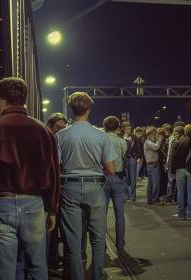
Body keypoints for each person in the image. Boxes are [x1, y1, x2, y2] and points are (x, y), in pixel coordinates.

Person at [0, 77, 60, 280]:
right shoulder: (44, 131)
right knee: (37, 265)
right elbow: (53, 173)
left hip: (1, 204)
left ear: (3, 99)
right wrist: (52, 208)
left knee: (5, 268)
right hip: (34, 203)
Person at [56, 92, 116, 280]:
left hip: (69, 188)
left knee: (73, 241)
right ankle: (97, 275)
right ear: (89, 109)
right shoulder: (101, 136)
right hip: (94, 187)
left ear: (71, 110)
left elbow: (56, 166)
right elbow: (111, 169)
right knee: (98, 238)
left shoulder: (60, 136)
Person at [45, 112, 68, 271]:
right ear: (50, 126)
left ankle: (52, 257)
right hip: (49, 191)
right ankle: (49, 260)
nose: (60, 131)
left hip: (57, 190)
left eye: (63, 128)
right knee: (50, 227)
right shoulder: (49, 141)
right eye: (58, 127)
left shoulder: (58, 141)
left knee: (54, 228)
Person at [102, 116, 128, 252]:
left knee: (102, 214)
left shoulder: (101, 139)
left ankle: (102, 243)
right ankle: (120, 244)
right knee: (120, 214)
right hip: (118, 177)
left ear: (104, 126)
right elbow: (123, 158)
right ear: (118, 127)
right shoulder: (122, 142)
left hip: (103, 178)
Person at [171, 125, 191, 219]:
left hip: (180, 169)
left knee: (181, 192)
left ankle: (181, 213)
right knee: (190, 192)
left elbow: (175, 156)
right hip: (190, 170)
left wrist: (173, 170)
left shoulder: (180, 141)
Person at [144, 126, 164, 205]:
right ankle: (153, 199)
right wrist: (159, 139)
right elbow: (156, 147)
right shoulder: (148, 142)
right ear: (151, 134)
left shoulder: (148, 141)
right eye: (155, 134)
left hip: (151, 165)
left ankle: (150, 199)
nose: (156, 136)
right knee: (155, 183)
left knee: (151, 183)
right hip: (152, 165)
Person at [129, 127, 145, 201]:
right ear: (135, 132)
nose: (139, 134)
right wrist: (138, 157)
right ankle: (132, 196)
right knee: (133, 178)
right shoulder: (136, 140)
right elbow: (137, 150)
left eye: (140, 133)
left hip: (135, 159)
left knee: (133, 178)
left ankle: (132, 195)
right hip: (136, 159)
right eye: (138, 133)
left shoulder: (135, 139)